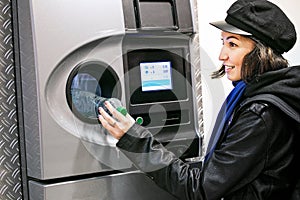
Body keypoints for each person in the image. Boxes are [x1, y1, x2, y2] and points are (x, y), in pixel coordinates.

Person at [98, 0, 300, 199]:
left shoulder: (260, 114)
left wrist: (134, 138)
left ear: (261, 52)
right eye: (223, 42)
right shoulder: (274, 92)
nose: (222, 55)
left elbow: (200, 189)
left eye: (233, 44)